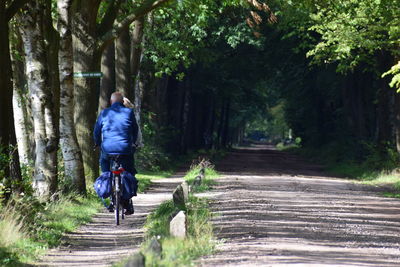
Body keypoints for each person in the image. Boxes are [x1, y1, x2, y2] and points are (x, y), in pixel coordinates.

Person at [94, 92, 138, 215]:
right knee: (129, 170)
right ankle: (128, 201)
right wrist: (133, 143)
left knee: (105, 165)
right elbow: (135, 130)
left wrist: (97, 143)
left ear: (111, 101)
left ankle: (108, 183)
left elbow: (97, 131)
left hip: (107, 149)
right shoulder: (129, 112)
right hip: (125, 149)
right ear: (122, 102)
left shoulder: (104, 113)